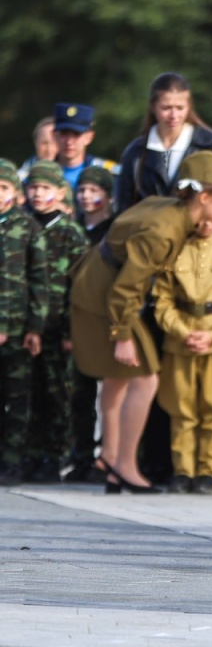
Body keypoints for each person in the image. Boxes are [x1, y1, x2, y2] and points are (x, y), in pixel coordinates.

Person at [70, 151, 212, 494]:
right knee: (144, 378)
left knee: (118, 380)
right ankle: (125, 465)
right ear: (203, 196)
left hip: (98, 286)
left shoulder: (170, 209)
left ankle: (114, 464)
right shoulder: (164, 230)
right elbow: (126, 287)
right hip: (104, 298)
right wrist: (122, 334)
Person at [152, 210, 212, 495]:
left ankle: (209, 472)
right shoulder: (175, 253)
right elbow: (162, 301)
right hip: (181, 340)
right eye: (201, 216)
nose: (207, 222)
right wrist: (183, 332)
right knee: (181, 409)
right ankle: (183, 470)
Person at [25, 161, 89, 482]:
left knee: (58, 393)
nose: (38, 194)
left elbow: (79, 287)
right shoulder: (23, 227)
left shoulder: (69, 233)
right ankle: (31, 454)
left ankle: (55, 456)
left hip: (59, 326)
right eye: (33, 187)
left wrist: (70, 331)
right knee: (29, 393)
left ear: (60, 192)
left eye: (45, 188)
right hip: (26, 326)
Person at [116, 73, 212, 211]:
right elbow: (124, 208)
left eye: (180, 108)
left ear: (189, 106)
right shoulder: (136, 153)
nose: (174, 115)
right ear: (153, 107)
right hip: (148, 231)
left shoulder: (211, 144)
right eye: (166, 108)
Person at [64, 166, 117, 482]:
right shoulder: (72, 230)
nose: (86, 196)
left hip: (103, 319)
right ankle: (82, 456)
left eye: (93, 190)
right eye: (81, 190)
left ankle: (109, 458)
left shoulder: (114, 231)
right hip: (74, 318)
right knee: (80, 392)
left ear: (108, 196)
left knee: (111, 392)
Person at [0, 158, 47, 485]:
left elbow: (39, 279)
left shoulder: (27, 226)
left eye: (2, 187)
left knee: (18, 399)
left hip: (17, 331)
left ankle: (12, 462)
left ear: (14, 192)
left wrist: (35, 327)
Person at [52, 103, 119, 196]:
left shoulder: (109, 173)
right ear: (54, 136)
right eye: (64, 133)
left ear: (89, 137)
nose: (69, 141)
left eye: (76, 134)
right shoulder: (39, 172)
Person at [17, 117, 58, 181]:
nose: (49, 149)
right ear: (35, 142)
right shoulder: (21, 178)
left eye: (54, 143)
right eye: (44, 143)